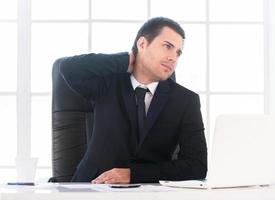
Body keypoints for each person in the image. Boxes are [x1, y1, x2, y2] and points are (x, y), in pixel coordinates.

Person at [59, 17, 207, 184]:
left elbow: (197, 166)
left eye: (178, 53)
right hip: (92, 186)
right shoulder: (107, 83)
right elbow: (66, 68)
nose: (173, 57)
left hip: (150, 191)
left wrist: (134, 174)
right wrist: (124, 61)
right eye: (167, 46)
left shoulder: (186, 100)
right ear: (142, 44)